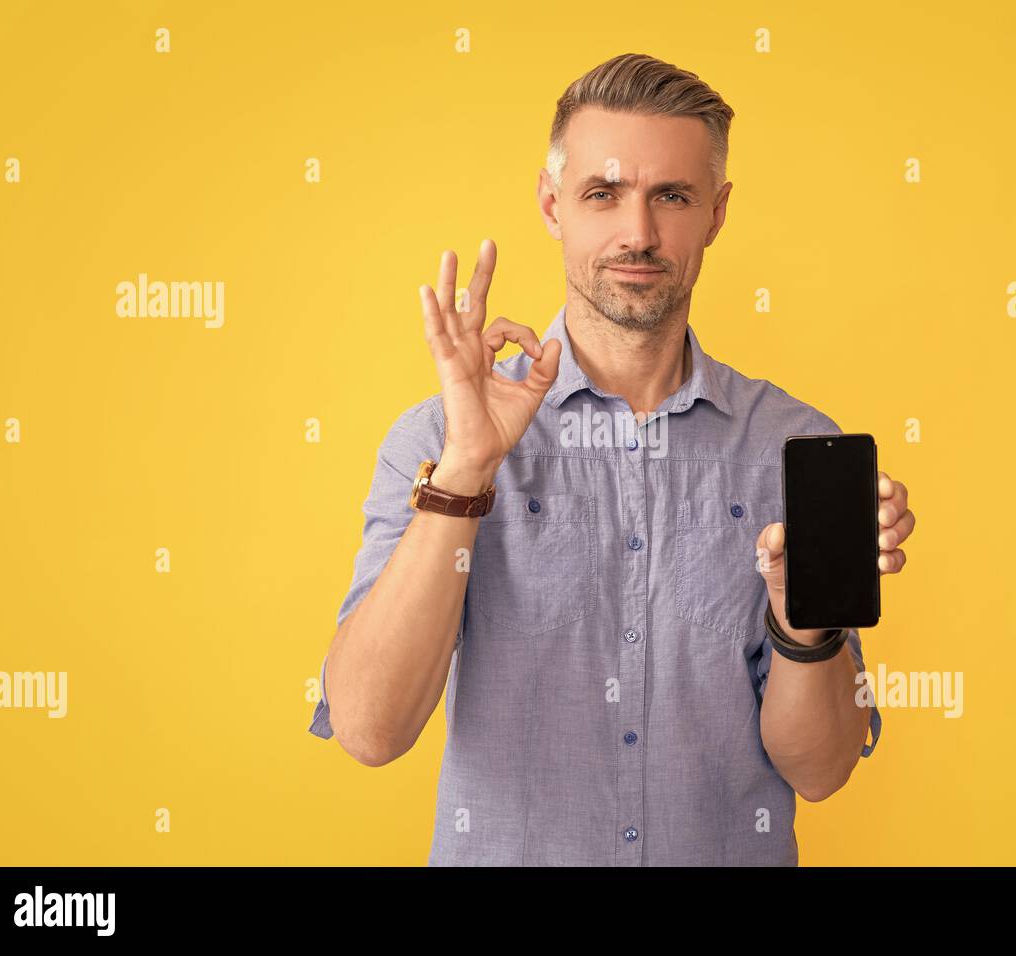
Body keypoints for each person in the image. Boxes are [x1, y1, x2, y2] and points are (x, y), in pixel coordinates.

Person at [309, 52, 916, 865]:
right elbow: (369, 729)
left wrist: (801, 620)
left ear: (718, 212)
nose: (639, 232)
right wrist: (464, 476)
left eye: (671, 195)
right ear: (552, 204)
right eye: (604, 193)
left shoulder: (796, 452)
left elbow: (823, 769)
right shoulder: (436, 443)